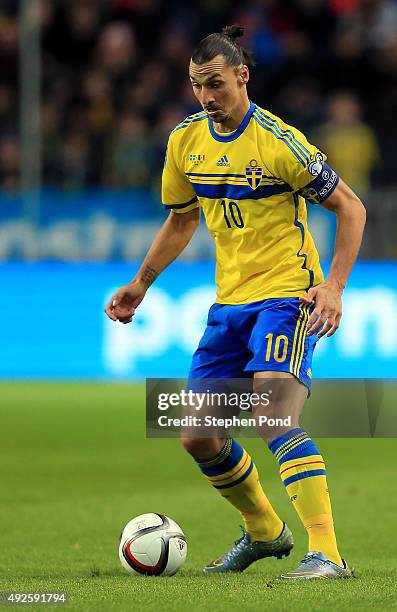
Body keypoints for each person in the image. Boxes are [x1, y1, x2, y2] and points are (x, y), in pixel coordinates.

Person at [105, 25, 366, 580]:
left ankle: (328, 554)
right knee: (198, 433)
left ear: (242, 77)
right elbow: (181, 219)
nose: (206, 95)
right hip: (229, 305)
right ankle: (265, 531)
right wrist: (142, 282)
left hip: (285, 295)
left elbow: (351, 207)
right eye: (197, 84)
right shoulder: (185, 141)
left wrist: (335, 286)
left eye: (216, 83)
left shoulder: (279, 142)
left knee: (274, 413)